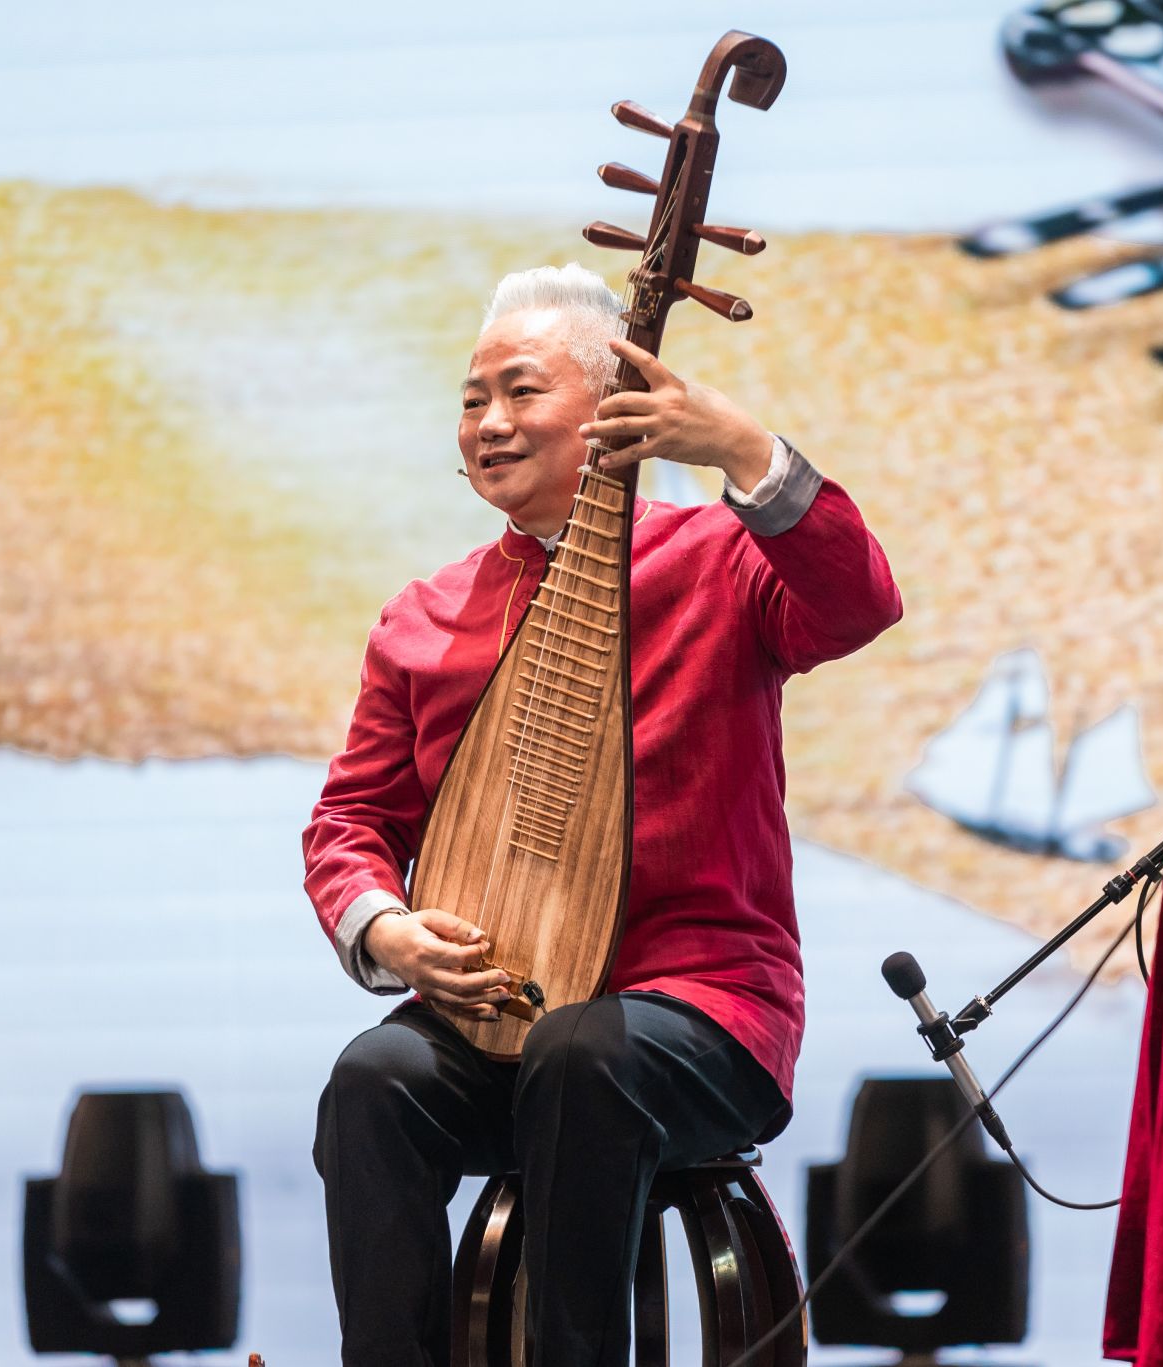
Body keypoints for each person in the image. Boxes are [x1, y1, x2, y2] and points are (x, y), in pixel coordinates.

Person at [304, 263, 901, 1365]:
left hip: (700, 1010)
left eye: (521, 391)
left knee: (582, 1055)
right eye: (472, 398)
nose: (489, 422)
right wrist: (388, 932)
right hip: (498, 1022)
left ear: (611, 406)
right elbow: (350, 822)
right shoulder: (422, 618)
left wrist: (741, 449)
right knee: (372, 1083)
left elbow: (857, 601)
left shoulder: (715, 562)